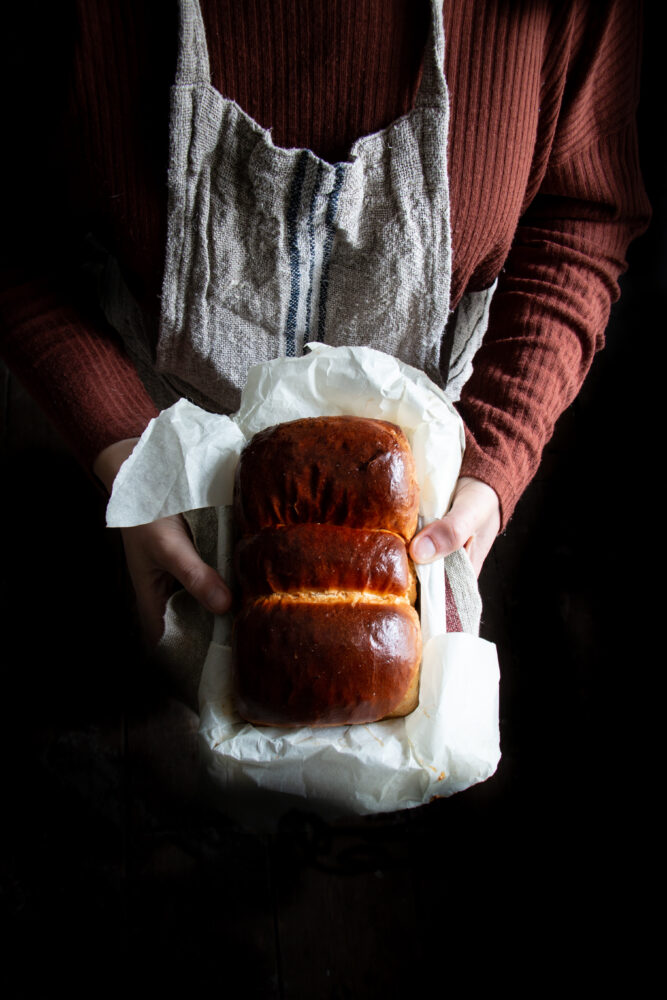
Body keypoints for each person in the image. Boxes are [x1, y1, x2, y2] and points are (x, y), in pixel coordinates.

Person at [0, 0, 650, 648]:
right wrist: (128, 457)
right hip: (160, 458)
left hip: (437, 488)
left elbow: (582, 211)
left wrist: (497, 453)